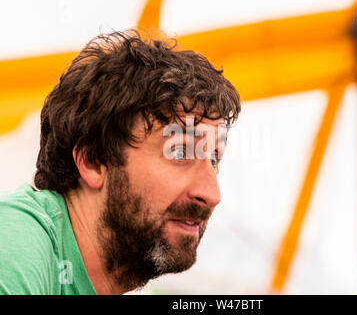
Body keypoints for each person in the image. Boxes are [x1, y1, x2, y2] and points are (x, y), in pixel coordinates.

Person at [0, 30, 240, 295]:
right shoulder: (15, 241)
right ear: (94, 161)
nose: (212, 194)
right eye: (181, 153)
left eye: (214, 159)